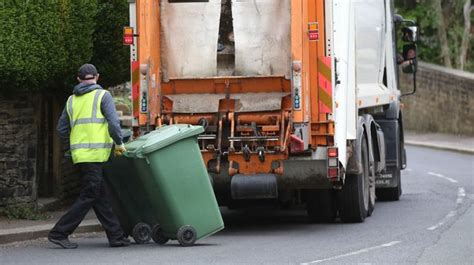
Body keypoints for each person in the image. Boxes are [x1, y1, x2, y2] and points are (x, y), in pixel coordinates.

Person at [48, 64, 129, 249]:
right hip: (96, 154)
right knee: (90, 194)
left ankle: (116, 236)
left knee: (100, 195)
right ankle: (59, 232)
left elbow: (61, 130)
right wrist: (119, 144)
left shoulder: (71, 100)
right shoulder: (103, 96)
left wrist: (72, 147)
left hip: (80, 155)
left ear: (78, 79)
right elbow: (114, 125)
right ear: (97, 77)